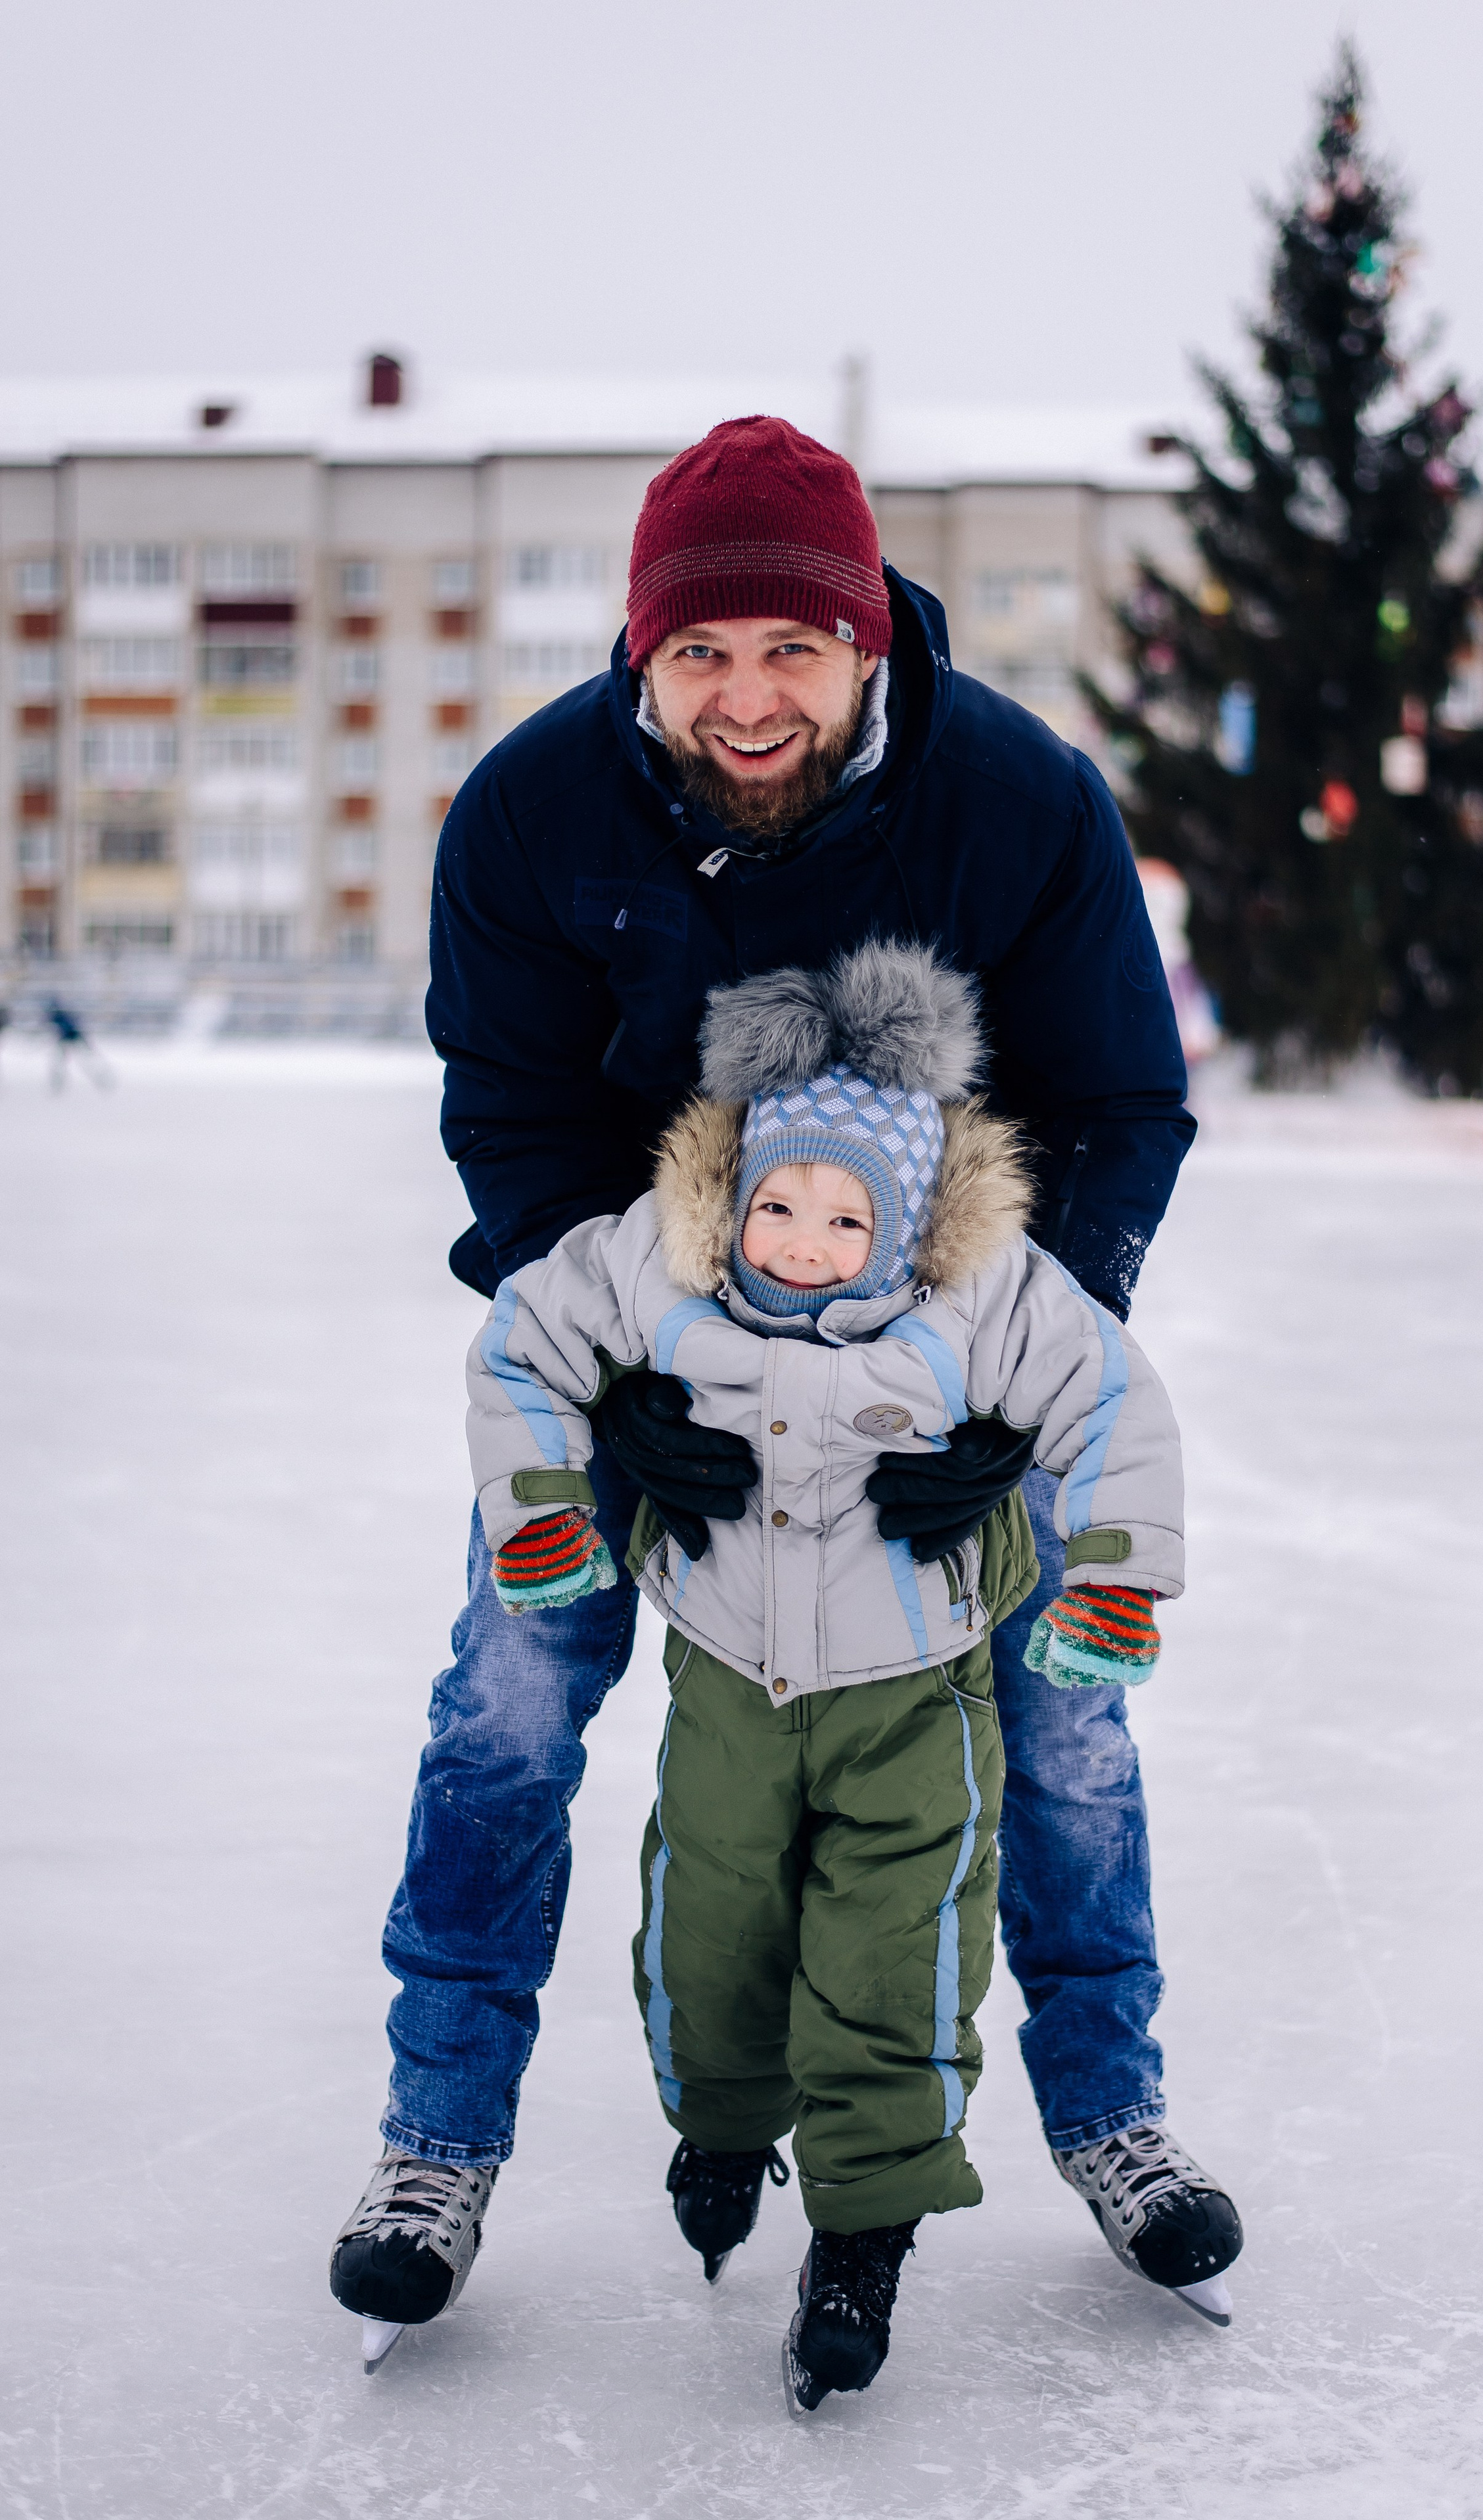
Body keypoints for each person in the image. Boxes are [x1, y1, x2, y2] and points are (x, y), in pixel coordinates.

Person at [330, 415, 1241, 2370]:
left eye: (791, 653)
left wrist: (1010, 1391)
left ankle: (1108, 2106)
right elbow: (510, 1116)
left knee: (1065, 1714)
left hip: (937, 1348)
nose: (746, 702)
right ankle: (434, 2137)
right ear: (639, 653)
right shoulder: (527, 819)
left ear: (866, 651)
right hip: (647, 1338)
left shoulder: (1017, 801)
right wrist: (624, 1380)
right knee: (504, 1695)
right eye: (700, 656)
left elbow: (1116, 1100)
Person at [456, 944, 1193, 2410]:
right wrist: (546, 1495)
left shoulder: (978, 1303)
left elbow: (1112, 1396)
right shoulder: (662, 1279)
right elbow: (523, 1336)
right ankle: (722, 2129)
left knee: (894, 1963)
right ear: (734, 1192)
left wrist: (1108, 1570)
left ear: (907, 1224)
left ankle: (864, 2230)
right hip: (727, 1689)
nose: (802, 1238)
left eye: (847, 1215)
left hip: (917, 1700)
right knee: (706, 1935)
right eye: (778, 1202)